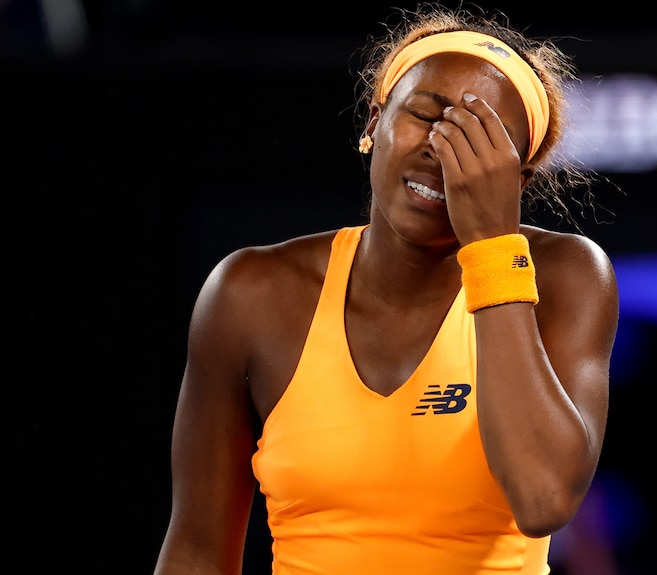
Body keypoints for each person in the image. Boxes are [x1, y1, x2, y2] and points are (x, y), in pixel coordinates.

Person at [152, 3, 620, 574]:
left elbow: (543, 499)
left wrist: (493, 245)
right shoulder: (250, 293)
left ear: (517, 181)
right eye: (425, 115)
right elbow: (196, 554)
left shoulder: (566, 275)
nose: (443, 148)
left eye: (481, 143)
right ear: (374, 123)